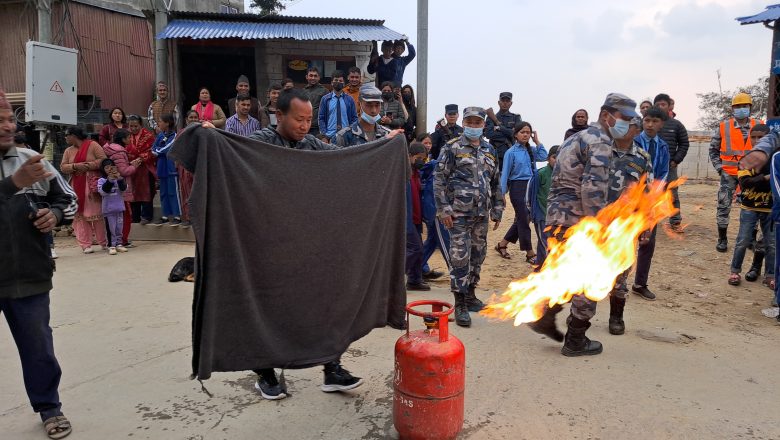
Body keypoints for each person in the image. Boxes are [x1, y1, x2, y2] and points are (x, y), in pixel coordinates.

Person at [200, 88, 403, 400]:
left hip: (307, 245)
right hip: (267, 244)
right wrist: (212, 135)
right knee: (268, 306)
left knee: (321, 304)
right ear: (279, 115)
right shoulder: (258, 143)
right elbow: (229, 152)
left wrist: (382, 147)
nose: (305, 125)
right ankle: (265, 372)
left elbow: (343, 162)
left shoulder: (311, 145)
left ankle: (331, 367)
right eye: (299, 119)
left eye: (309, 119)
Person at [530, 92, 640, 356]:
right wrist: (600, 229)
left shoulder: (577, 138)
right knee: (590, 278)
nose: (626, 123)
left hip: (558, 217)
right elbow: (593, 189)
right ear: (606, 115)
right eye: (623, 118)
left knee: (567, 272)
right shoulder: (601, 141)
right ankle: (575, 339)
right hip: (579, 220)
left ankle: (546, 312)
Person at [0, 89, 77, 440]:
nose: (6, 127)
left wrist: (56, 214)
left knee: (38, 347)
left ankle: (49, 408)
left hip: (29, 275)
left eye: (8, 120)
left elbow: (68, 198)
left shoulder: (31, 159)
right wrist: (12, 185)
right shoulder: (20, 173)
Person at [434, 106, 503, 327]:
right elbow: (439, 180)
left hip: (481, 215)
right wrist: (444, 209)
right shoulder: (452, 147)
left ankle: (471, 294)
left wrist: (498, 209)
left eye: (477, 123)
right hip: (457, 215)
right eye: (470, 122)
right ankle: (460, 302)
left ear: (484, 124)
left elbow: (495, 182)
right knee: (460, 257)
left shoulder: (490, 149)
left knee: (477, 255)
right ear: (464, 123)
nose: (473, 126)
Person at [603, 117, 652, 335]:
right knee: (588, 266)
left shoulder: (642, 158)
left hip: (625, 225)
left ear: (636, 130)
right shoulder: (600, 151)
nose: (620, 128)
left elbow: (646, 194)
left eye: (628, 125)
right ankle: (581, 316)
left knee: (621, 273)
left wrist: (645, 225)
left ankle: (616, 317)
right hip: (596, 222)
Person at [709, 92, 764, 253]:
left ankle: (750, 239)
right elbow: (713, 150)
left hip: (751, 174)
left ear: (750, 108)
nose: (741, 109)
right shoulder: (723, 126)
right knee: (724, 205)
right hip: (729, 174)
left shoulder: (759, 124)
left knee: (752, 204)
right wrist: (719, 168)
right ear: (733, 109)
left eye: (744, 106)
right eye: (738, 106)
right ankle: (722, 239)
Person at [728, 123, 774, 289]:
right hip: (749, 206)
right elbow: (745, 183)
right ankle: (735, 271)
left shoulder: (776, 158)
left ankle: (770, 275)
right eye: (753, 137)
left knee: (771, 243)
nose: (756, 141)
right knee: (743, 240)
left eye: (760, 138)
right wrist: (767, 178)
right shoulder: (747, 158)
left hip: (770, 208)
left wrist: (759, 180)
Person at [631, 106, 671, 301]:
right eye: (647, 120)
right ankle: (612, 282)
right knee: (624, 240)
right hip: (631, 200)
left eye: (655, 121)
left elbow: (663, 173)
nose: (650, 124)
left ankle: (640, 283)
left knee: (647, 242)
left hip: (651, 201)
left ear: (661, 124)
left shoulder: (663, 146)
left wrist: (654, 194)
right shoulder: (633, 142)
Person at [494, 122, 548, 263]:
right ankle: (529, 252)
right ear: (516, 134)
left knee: (524, 218)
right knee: (524, 218)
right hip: (517, 187)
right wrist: (502, 194)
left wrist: (537, 141)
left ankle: (502, 244)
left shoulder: (532, 150)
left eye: (528, 132)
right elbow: (505, 174)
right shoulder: (511, 152)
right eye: (522, 132)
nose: (525, 134)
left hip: (532, 186)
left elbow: (544, 156)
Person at [60, 126, 108, 253]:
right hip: (76, 185)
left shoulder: (93, 145)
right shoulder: (68, 151)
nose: (65, 138)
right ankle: (86, 244)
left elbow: (104, 161)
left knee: (97, 214)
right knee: (79, 215)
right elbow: (63, 167)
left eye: (67, 135)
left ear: (74, 136)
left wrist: (87, 166)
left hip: (92, 184)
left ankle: (103, 242)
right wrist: (75, 166)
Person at [653, 93, 688, 232]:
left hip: (669, 167)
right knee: (650, 193)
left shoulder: (676, 125)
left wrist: (676, 159)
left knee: (672, 194)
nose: (660, 107)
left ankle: (675, 222)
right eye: (658, 104)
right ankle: (648, 221)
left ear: (669, 106)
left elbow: (684, 143)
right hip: (651, 166)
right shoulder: (650, 122)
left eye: (663, 104)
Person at [103, 128, 142, 247]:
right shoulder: (119, 153)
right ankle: (122, 240)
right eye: (128, 137)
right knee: (124, 216)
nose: (130, 139)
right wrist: (134, 166)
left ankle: (116, 241)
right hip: (120, 188)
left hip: (112, 189)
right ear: (123, 139)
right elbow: (123, 171)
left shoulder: (111, 150)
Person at [527, 145, 559, 269]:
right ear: (548, 158)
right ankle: (546, 269)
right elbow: (530, 195)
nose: (557, 160)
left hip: (558, 217)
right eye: (554, 157)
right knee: (544, 242)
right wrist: (532, 212)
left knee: (553, 242)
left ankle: (539, 265)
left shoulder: (566, 175)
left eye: (560, 157)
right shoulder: (540, 174)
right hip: (542, 214)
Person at [407, 142, 430, 291]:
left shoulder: (416, 174)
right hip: (406, 220)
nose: (421, 161)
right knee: (416, 249)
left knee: (419, 248)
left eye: (424, 158)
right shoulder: (403, 173)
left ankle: (414, 280)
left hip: (415, 218)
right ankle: (391, 278)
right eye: (418, 157)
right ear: (409, 156)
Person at [126, 115, 156, 225]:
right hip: (130, 169)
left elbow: (153, 150)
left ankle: (147, 216)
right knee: (133, 193)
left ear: (141, 125)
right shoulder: (126, 136)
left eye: (135, 126)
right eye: (131, 126)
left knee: (146, 193)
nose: (133, 128)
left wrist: (140, 158)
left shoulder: (148, 136)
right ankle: (135, 216)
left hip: (145, 168)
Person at [151, 113, 180, 226]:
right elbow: (153, 148)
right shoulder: (160, 135)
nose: (159, 123)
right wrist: (157, 151)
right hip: (161, 167)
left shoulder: (174, 136)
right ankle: (165, 215)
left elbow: (165, 149)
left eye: (160, 121)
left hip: (171, 167)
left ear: (167, 123)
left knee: (173, 192)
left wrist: (157, 151)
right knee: (163, 193)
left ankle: (177, 215)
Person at [97, 158, 128, 255]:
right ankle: (111, 245)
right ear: (103, 169)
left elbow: (124, 189)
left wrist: (119, 179)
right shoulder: (102, 180)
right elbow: (103, 192)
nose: (109, 169)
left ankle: (119, 244)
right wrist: (110, 180)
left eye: (111, 167)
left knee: (119, 227)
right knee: (110, 228)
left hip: (119, 208)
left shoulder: (119, 178)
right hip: (108, 210)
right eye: (106, 167)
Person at [485, 92, 523, 169]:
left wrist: (499, 128)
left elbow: (516, 135)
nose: (505, 103)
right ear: (499, 102)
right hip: (494, 155)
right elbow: (489, 134)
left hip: (511, 154)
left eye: (507, 101)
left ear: (511, 103)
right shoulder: (491, 117)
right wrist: (509, 132)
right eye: (503, 101)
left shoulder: (516, 117)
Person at [177, 110, 201, 229]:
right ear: (186, 120)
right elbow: (176, 151)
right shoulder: (181, 133)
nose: (193, 119)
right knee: (186, 192)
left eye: (195, 117)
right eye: (191, 117)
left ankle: (199, 217)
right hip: (185, 167)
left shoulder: (203, 132)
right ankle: (188, 217)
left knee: (198, 193)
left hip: (199, 167)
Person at [318, 70, 357, 140]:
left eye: (340, 81)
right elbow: (321, 118)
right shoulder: (325, 99)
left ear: (344, 83)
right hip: (329, 136)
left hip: (346, 137)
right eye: (336, 80)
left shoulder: (349, 99)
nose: (338, 82)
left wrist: (352, 132)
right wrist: (323, 135)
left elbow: (354, 118)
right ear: (331, 83)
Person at [303, 67, 328, 136]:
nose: (313, 78)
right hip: (304, 126)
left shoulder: (325, 91)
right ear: (306, 77)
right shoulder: (302, 91)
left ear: (319, 77)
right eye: (311, 75)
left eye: (315, 76)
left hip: (318, 128)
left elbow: (328, 110)